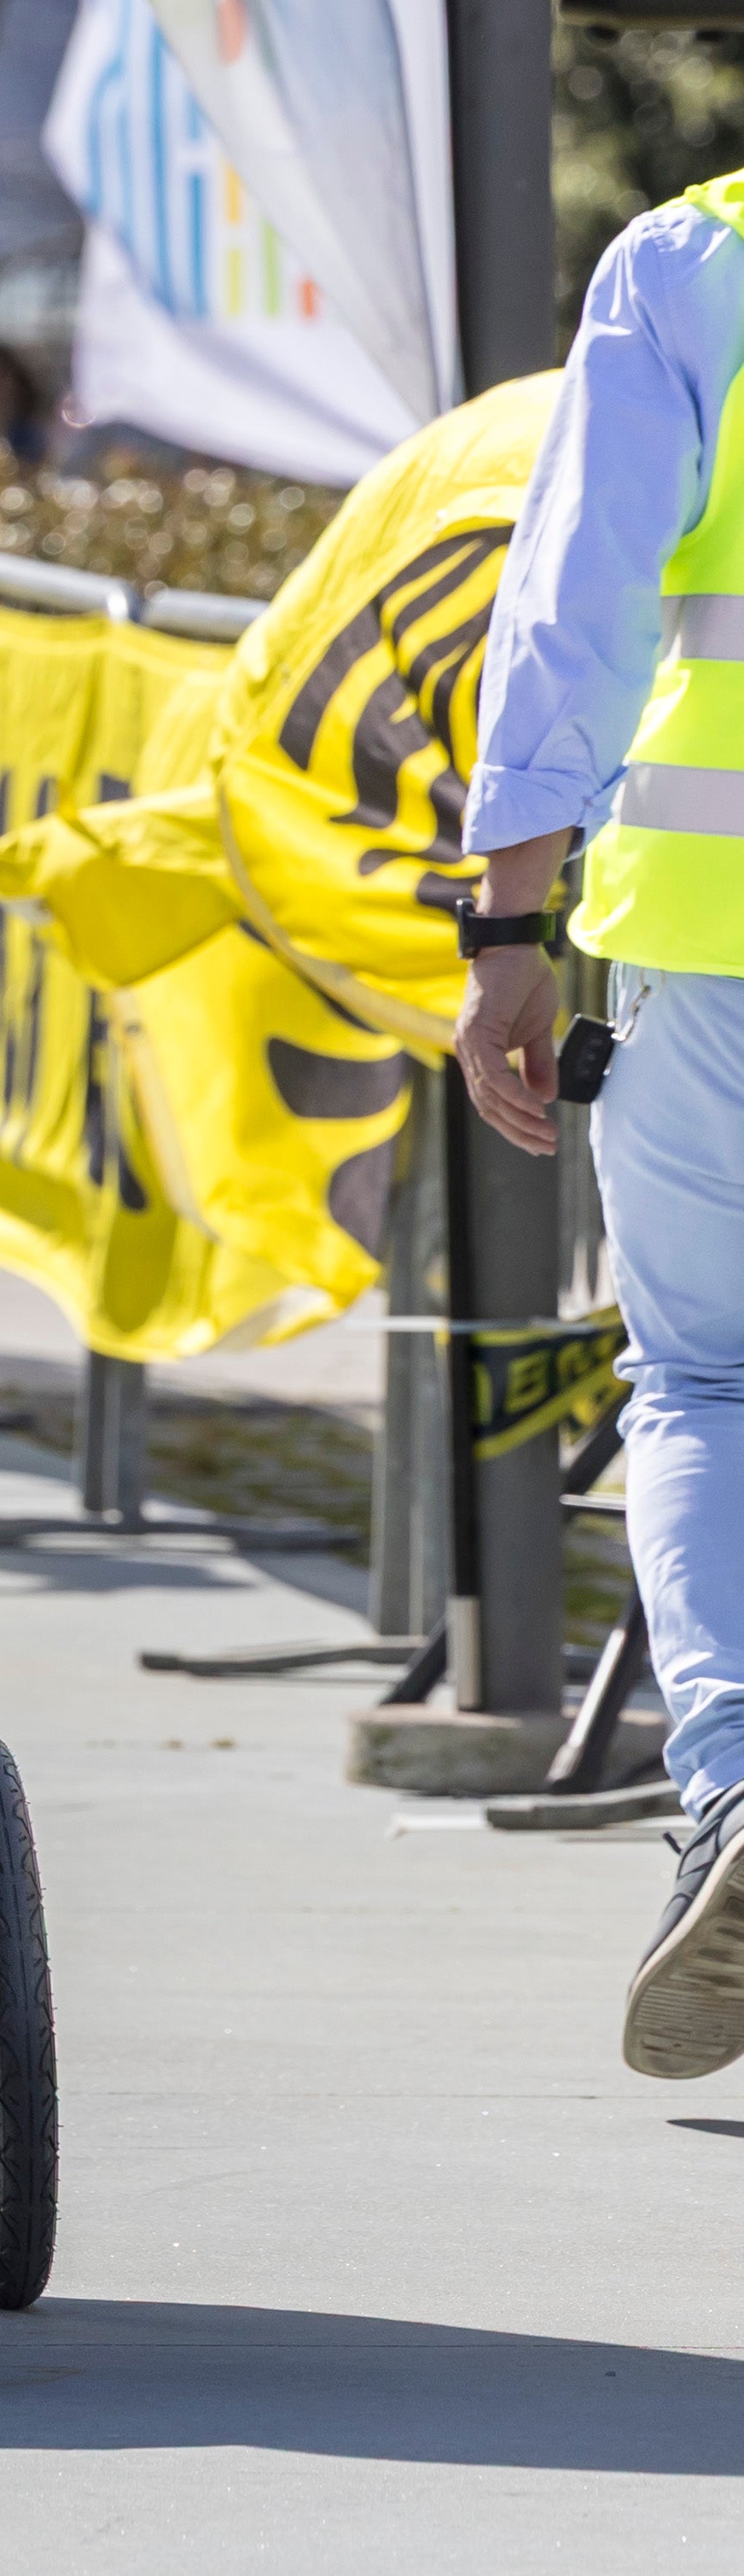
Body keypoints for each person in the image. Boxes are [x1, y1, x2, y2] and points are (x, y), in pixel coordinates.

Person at [457, 167, 744, 2081]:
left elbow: (572, 600)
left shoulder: (698, 259)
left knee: (706, 1384)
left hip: (708, 948)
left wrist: (504, 925)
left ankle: (730, 1787)